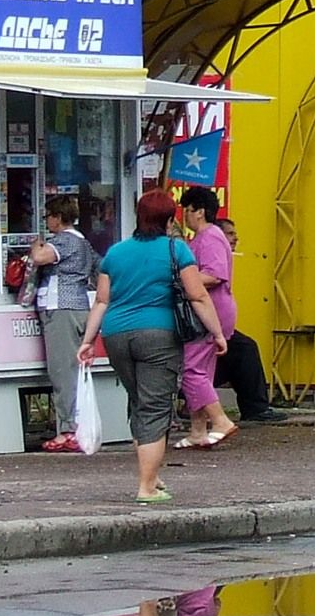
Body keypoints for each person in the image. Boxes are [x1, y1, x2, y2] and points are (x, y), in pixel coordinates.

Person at [78, 188, 225, 504]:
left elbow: (102, 300)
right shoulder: (177, 250)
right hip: (159, 336)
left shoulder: (116, 253)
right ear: (170, 218)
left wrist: (87, 340)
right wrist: (217, 333)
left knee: (139, 402)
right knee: (155, 407)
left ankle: (154, 478)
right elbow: (198, 295)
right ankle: (146, 486)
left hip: (116, 335)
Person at [30, 195, 96, 453]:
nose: (47, 222)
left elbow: (40, 257)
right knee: (74, 370)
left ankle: (68, 429)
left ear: (58, 217)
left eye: (48, 217)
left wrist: (36, 243)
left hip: (61, 307)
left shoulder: (65, 241)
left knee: (62, 371)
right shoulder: (84, 243)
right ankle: (76, 425)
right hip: (79, 305)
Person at [177, 187, 241, 450]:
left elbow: (215, 274)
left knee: (191, 370)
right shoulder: (203, 238)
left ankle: (220, 420)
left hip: (207, 312)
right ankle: (197, 429)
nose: (186, 217)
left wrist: (179, 278)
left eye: (188, 211)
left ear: (200, 212)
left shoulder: (210, 237)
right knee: (202, 372)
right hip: (210, 311)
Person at [212, 217, 286, 424]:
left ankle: (254, 407)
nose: (236, 238)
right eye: (230, 233)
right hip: (209, 327)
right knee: (243, 350)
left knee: (243, 350)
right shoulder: (210, 253)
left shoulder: (223, 256)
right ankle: (254, 408)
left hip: (220, 327)